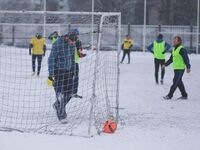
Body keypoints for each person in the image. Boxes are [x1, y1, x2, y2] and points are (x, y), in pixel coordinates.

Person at [48, 32, 76, 122]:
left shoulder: (71, 45)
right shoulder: (57, 44)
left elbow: (72, 58)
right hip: (58, 71)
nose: (73, 43)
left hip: (68, 71)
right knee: (60, 95)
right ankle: (62, 115)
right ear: (67, 37)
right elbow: (51, 59)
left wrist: (73, 70)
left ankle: (57, 105)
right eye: (72, 41)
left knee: (70, 93)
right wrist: (51, 74)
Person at [70, 29, 86, 98]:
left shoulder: (68, 41)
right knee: (75, 78)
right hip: (74, 62)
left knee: (69, 77)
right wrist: (83, 54)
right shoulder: (78, 42)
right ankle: (73, 92)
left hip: (67, 62)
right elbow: (80, 53)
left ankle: (68, 92)